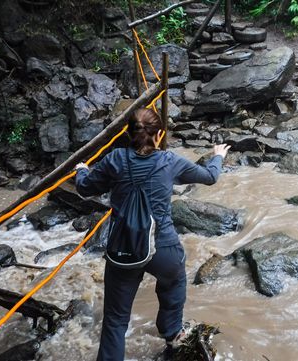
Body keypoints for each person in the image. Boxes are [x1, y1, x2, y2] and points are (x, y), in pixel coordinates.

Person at [74, 108, 231, 361]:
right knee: (174, 280)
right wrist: (217, 156)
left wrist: (81, 169)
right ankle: (171, 334)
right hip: (163, 249)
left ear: (128, 133)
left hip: (123, 250)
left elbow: (84, 188)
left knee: (115, 320)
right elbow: (211, 177)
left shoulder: (115, 159)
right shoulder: (170, 161)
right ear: (159, 135)